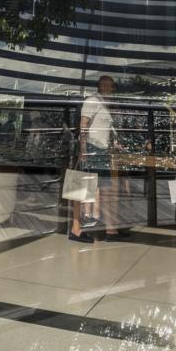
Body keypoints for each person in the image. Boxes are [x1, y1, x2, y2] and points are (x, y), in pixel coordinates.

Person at [70, 74, 119, 243]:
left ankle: (110, 230)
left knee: (104, 190)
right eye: (104, 85)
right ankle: (76, 229)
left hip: (101, 151)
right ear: (99, 86)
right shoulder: (92, 100)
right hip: (91, 148)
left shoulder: (105, 103)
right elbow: (83, 124)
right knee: (83, 189)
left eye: (110, 85)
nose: (107, 88)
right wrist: (83, 150)